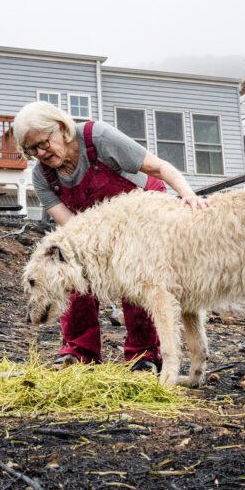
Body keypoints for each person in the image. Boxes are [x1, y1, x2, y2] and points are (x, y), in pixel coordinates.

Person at [11, 101, 209, 372]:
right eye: (32, 150)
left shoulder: (98, 138)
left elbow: (158, 167)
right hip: (95, 230)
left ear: (60, 128)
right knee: (71, 272)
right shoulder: (43, 177)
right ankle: (79, 353)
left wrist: (188, 195)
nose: (41, 153)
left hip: (143, 217)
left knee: (140, 280)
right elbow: (73, 232)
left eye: (44, 143)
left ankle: (144, 357)